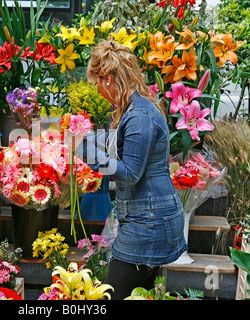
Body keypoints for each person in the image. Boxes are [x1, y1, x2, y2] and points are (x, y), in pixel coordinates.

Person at [78, 40, 187, 300]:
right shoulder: (132, 109)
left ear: (108, 79)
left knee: (113, 295)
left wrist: (84, 150)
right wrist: (83, 139)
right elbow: (119, 146)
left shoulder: (140, 115)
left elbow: (130, 173)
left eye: (96, 84)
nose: (97, 91)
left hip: (148, 226)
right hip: (148, 220)